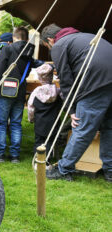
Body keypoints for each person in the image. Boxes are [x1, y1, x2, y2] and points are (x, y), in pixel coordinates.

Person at [40, 24, 112, 182]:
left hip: (95, 84)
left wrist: (71, 110)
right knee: (109, 127)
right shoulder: (85, 36)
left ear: (50, 40)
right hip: (107, 79)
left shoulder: (59, 45)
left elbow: (66, 80)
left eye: (47, 46)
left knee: (82, 128)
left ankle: (64, 169)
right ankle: (110, 171)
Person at [0, 27, 42, 163]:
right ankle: (15, 156)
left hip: (5, 90)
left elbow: (0, 69)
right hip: (20, 90)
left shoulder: (7, 49)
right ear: (25, 38)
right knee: (16, 124)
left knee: (1, 123)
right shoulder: (29, 51)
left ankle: (0, 154)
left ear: (14, 37)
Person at [27, 63, 62, 155]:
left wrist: (31, 119)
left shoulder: (36, 92)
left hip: (40, 122)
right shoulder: (58, 91)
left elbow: (30, 107)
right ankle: (49, 158)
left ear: (40, 77)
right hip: (54, 121)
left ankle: (39, 160)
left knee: (39, 141)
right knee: (50, 140)